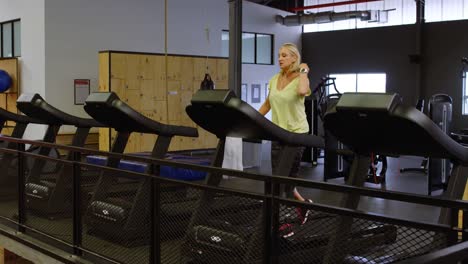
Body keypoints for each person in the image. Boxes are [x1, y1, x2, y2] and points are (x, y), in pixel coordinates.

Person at [258, 43, 312, 225]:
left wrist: (304, 71)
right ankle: (302, 205)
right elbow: (268, 103)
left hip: (296, 134)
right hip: (277, 132)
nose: (280, 58)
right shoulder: (274, 79)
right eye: (279, 55)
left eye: (284, 55)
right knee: (278, 180)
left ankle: (279, 220)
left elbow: (303, 91)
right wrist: (252, 120)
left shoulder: (301, 79)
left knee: (285, 180)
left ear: (294, 58)